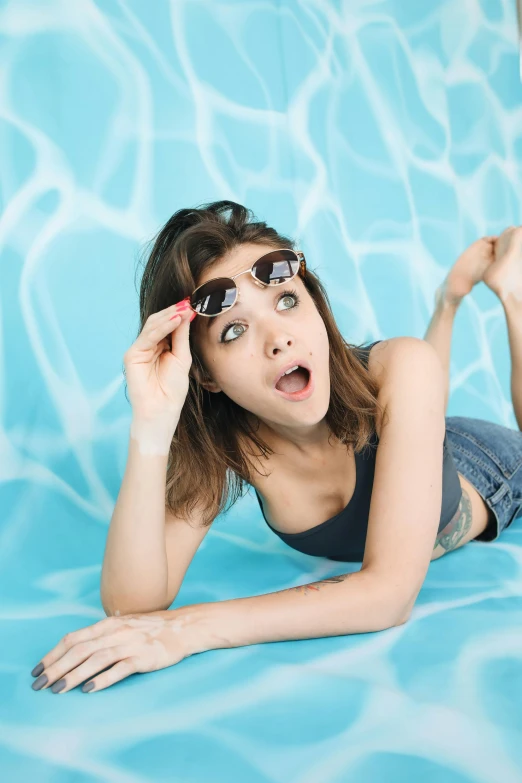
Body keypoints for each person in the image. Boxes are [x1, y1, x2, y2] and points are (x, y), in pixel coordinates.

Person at [30, 202, 522, 695]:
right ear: (206, 375)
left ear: (316, 305)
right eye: (235, 330)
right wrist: (152, 425)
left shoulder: (400, 366)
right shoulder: (234, 444)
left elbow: (389, 596)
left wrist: (185, 630)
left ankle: (513, 294)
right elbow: (131, 606)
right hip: (421, 432)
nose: (279, 340)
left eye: (286, 301)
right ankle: (450, 299)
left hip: (489, 466)